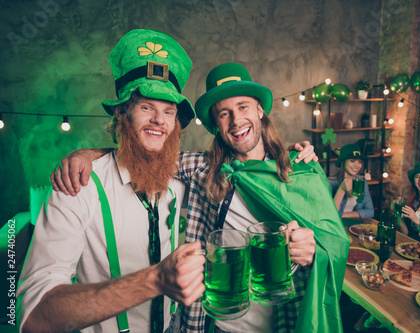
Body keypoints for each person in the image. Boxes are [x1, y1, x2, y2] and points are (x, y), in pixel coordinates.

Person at [52, 63, 349, 332]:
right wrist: (86, 155)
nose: (236, 120)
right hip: (216, 323)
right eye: (224, 113)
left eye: (243, 107)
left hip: (285, 320)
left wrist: (311, 253)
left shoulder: (299, 170)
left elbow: (333, 244)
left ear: (260, 111)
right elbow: (145, 153)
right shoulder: (203, 169)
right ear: (216, 126)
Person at [16, 29, 207, 333]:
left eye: (168, 111)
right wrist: (155, 280)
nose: (159, 120)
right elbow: (35, 317)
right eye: (146, 107)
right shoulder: (77, 185)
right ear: (122, 113)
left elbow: (242, 166)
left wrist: (288, 155)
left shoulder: (183, 178)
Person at [329, 143, 374, 219]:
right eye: (352, 161)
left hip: (354, 225)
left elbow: (370, 212)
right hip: (335, 226)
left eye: (360, 162)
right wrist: (341, 189)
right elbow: (331, 215)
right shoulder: (330, 182)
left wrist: (342, 215)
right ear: (343, 162)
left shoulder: (361, 181)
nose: (357, 165)